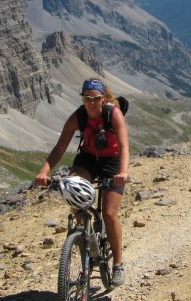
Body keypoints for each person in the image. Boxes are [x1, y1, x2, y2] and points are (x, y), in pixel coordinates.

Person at [35, 77, 130, 287]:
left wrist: (123, 171)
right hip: (87, 159)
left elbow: (124, 145)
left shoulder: (113, 113)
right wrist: (44, 171)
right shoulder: (78, 116)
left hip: (113, 162)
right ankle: (82, 237)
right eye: (87, 98)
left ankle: (118, 264)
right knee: (74, 195)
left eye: (95, 98)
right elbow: (60, 147)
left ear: (103, 99)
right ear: (83, 99)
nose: (91, 103)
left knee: (109, 213)